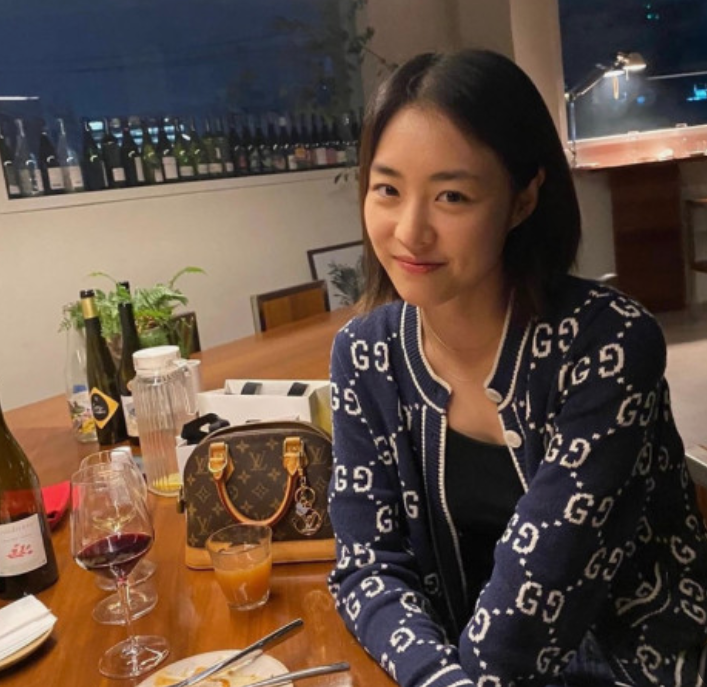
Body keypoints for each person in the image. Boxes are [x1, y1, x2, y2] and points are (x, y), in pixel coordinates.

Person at [327, 49, 707, 687]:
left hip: (629, 668)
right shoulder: (365, 354)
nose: (410, 231)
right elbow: (368, 567)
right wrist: (438, 676)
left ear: (523, 200)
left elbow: (536, 601)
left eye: (451, 196)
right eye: (387, 189)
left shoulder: (608, 345)